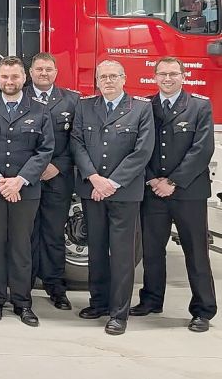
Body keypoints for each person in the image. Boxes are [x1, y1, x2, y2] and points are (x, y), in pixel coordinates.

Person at [132, 57, 216, 333]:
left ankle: (203, 310)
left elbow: (202, 150)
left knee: (196, 252)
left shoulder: (200, 106)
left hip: (188, 192)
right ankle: (152, 300)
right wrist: (153, 179)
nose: (167, 79)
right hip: (154, 189)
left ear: (183, 76)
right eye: (162, 74)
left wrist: (173, 182)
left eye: (173, 74)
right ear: (154, 77)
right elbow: (139, 146)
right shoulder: (144, 106)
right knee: (152, 251)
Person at [0, 56, 54, 327]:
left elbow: (45, 150)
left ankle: (22, 302)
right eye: (4, 76)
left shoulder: (39, 110)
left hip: (25, 191)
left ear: (24, 79)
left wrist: (20, 180)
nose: (9, 81)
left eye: (14, 77)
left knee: (21, 247)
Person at [71, 59, 154, 335]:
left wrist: (113, 182)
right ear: (96, 80)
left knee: (121, 254)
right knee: (95, 249)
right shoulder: (84, 106)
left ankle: (118, 313)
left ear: (123, 78)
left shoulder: (141, 108)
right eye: (102, 76)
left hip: (124, 192)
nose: (107, 80)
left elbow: (142, 152)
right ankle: (98, 303)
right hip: (92, 189)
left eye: (113, 76)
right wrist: (94, 178)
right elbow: (77, 143)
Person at [25, 52, 80, 311]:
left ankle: (55, 286)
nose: (43, 73)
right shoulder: (19, 97)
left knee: (54, 233)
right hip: (26, 179)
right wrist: (32, 169)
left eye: (48, 69)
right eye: (39, 69)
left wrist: (57, 166)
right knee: (25, 234)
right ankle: (23, 284)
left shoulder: (73, 101)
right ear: (30, 72)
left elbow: (78, 142)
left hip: (58, 178)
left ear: (56, 72)